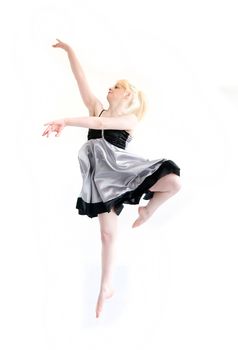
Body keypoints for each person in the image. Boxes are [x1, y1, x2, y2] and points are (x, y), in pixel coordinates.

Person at [42, 39, 182, 318]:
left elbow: (101, 124)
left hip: (122, 170)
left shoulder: (129, 121)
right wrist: (70, 51)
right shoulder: (96, 106)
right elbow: (79, 78)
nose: (110, 88)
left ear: (128, 96)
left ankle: (147, 209)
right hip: (102, 181)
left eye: (117, 87)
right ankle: (106, 286)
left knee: (174, 183)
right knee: (107, 235)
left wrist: (66, 121)